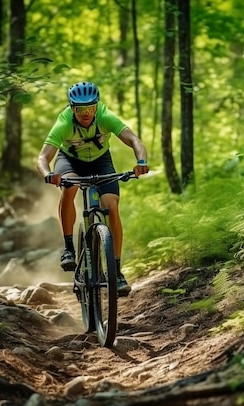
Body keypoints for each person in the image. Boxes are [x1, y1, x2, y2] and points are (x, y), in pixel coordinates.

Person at [36, 81, 149, 296]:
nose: (86, 114)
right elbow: (43, 157)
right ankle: (69, 248)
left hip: (100, 161)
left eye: (90, 108)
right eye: (80, 109)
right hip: (70, 161)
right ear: (72, 108)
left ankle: (115, 272)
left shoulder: (105, 117)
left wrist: (141, 162)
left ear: (97, 106)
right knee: (68, 188)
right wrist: (48, 174)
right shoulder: (64, 124)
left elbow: (134, 140)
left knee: (111, 205)